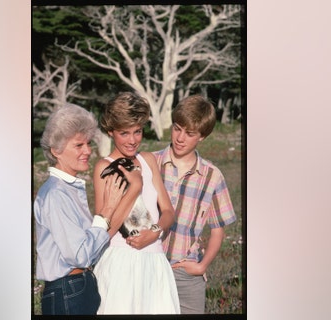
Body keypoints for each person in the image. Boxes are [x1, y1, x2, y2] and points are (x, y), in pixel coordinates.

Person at [34, 103, 143, 315]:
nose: (87, 151)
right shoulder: (56, 194)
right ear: (56, 150)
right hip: (68, 289)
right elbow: (81, 255)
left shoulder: (68, 189)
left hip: (79, 287)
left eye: (88, 143)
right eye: (78, 145)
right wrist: (107, 210)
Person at [92, 92, 180, 314]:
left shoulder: (148, 160)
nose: (132, 140)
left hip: (155, 260)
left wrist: (155, 232)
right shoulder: (104, 167)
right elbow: (105, 230)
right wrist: (134, 188)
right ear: (111, 132)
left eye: (137, 131)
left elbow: (168, 211)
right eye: (124, 133)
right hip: (121, 262)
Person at [152, 95, 237, 314]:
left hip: (185, 271)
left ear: (202, 137)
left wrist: (202, 265)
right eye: (177, 128)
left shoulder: (212, 176)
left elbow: (218, 230)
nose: (180, 138)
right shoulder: (150, 162)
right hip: (148, 265)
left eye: (190, 134)